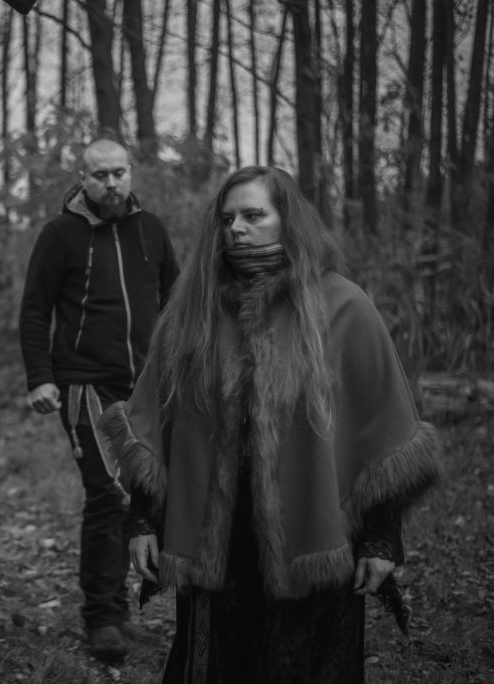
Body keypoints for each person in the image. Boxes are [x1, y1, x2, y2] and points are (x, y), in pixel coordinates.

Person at [100, 166, 442, 682]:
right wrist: (143, 522)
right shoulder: (193, 312)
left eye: (253, 215)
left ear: (288, 220)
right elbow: (155, 423)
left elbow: (384, 433)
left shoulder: (343, 307)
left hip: (314, 531)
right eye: (227, 219)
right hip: (218, 539)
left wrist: (380, 539)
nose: (236, 228)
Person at [19, 138, 180, 662]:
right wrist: (40, 378)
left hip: (147, 384)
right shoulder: (60, 235)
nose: (111, 183)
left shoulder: (150, 229)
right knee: (109, 493)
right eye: (99, 175)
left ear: (130, 173)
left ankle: (121, 611)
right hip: (86, 382)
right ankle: (102, 620)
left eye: (118, 173)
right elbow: (35, 308)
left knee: (143, 493)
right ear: (82, 179)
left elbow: (175, 299)